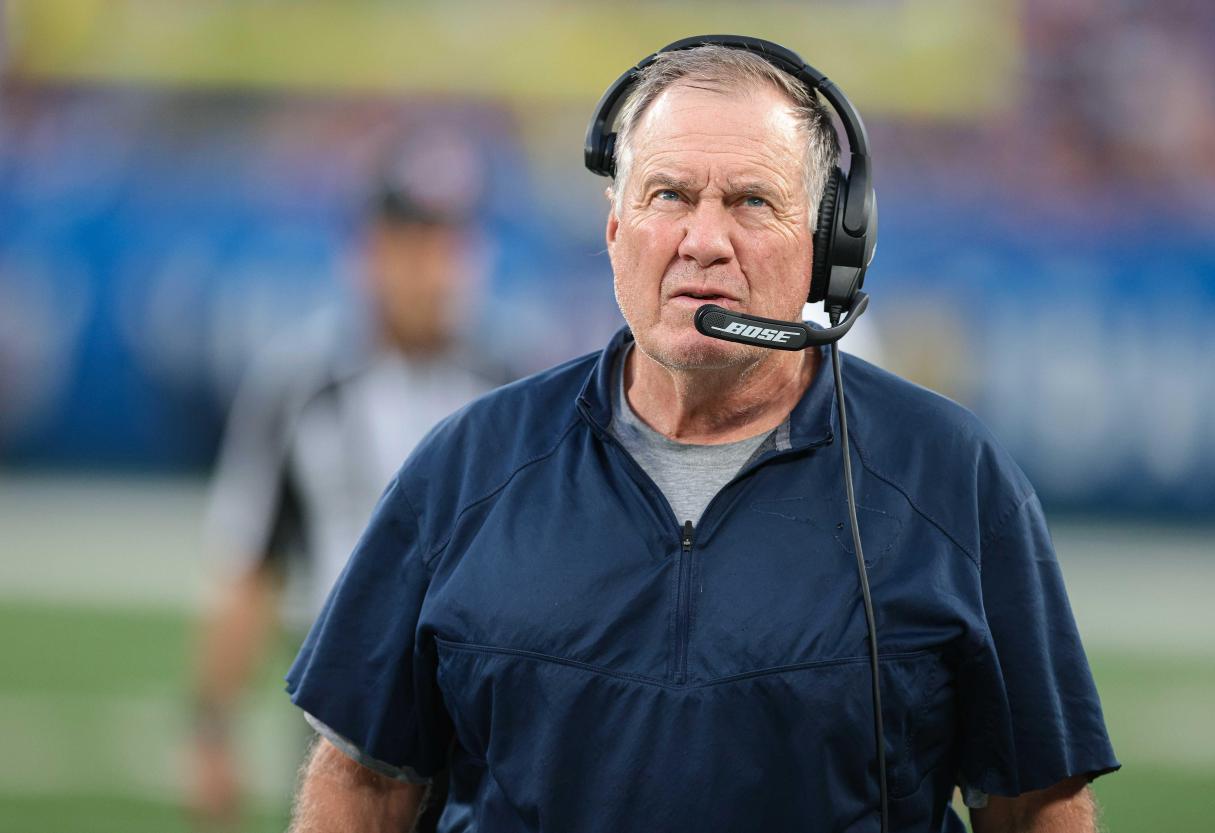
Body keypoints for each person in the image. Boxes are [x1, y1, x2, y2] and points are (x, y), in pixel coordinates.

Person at [282, 41, 1118, 833]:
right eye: (669, 195)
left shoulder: (951, 476)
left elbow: (1034, 801)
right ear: (616, 233)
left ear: (829, 249)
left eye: (752, 201)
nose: (703, 240)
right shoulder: (466, 466)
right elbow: (365, 776)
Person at [187, 128, 502, 830]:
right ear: (368, 252)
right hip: (343, 710)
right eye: (409, 243)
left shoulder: (514, 391)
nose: (430, 269)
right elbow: (247, 562)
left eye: (447, 245)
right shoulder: (298, 385)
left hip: (481, 718)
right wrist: (211, 725)